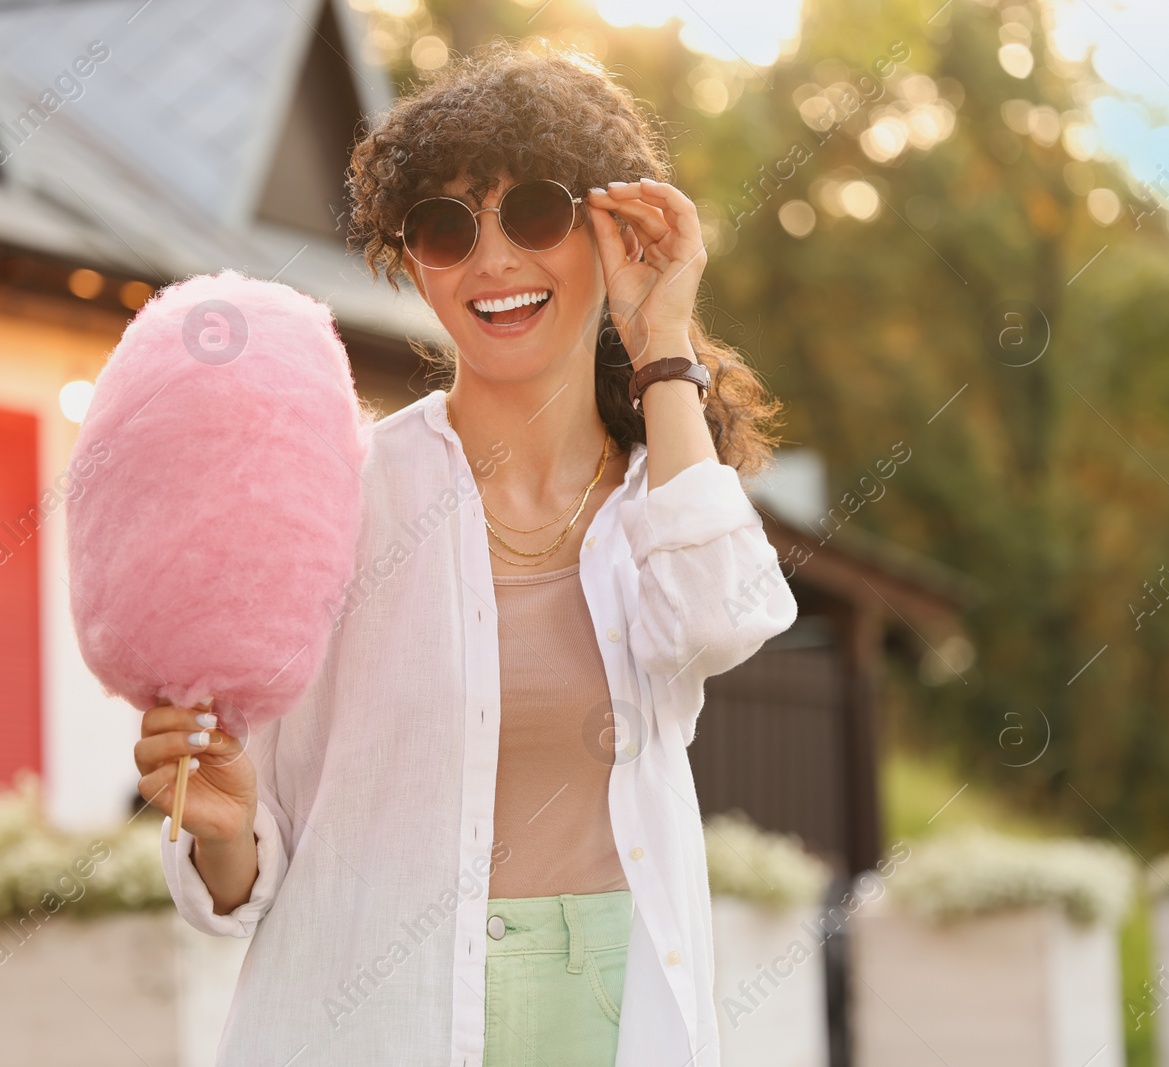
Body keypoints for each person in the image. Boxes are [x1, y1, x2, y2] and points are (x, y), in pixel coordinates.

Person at [135, 41, 796, 1067]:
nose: (491, 260)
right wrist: (221, 828)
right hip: (372, 1017)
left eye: (533, 212)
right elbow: (236, 881)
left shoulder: (662, 493)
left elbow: (721, 618)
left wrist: (662, 336)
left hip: (615, 1012)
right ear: (412, 264)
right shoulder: (332, 497)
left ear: (609, 228)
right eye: (445, 228)